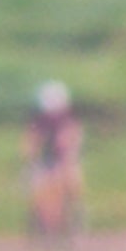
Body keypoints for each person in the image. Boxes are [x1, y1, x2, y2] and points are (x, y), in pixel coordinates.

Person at [23, 80, 84, 240]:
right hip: (46, 161)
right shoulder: (39, 121)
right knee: (42, 194)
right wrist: (32, 160)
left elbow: (70, 145)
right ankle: (47, 228)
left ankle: (71, 223)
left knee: (70, 187)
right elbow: (30, 143)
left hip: (64, 160)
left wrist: (66, 163)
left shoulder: (69, 121)